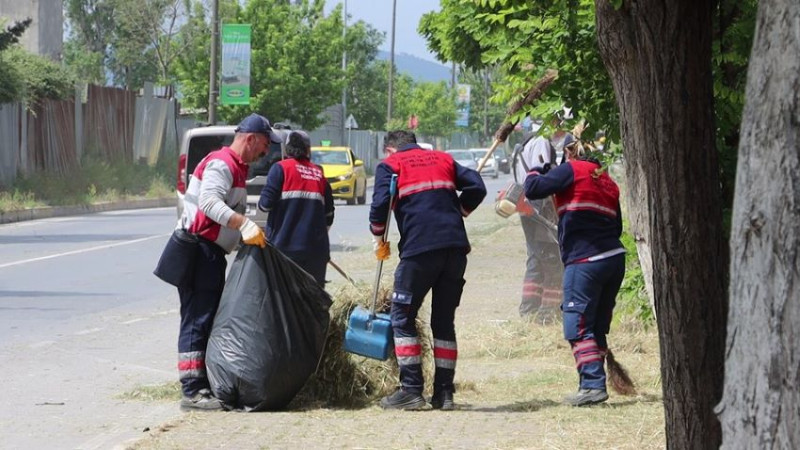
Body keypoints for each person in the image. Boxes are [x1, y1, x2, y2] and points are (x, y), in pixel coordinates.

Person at [369, 130, 487, 410]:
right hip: (456, 249)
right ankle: (444, 393)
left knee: (402, 317)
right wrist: (461, 209)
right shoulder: (443, 159)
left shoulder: (390, 165)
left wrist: (379, 238)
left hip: (420, 251)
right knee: (444, 322)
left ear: (390, 149)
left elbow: (379, 207)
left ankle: (411, 389)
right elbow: (478, 187)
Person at [175, 113, 276, 410]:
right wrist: (244, 225)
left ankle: (201, 382)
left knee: (206, 315)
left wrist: (247, 233)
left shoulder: (238, 167)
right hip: (197, 249)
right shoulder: (222, 163)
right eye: (265, 145)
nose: (265, 152)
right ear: (251, 138)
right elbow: (209, 203)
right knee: (198, 318)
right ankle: (193, 390)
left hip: (209, 251)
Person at [523, 137, 626, 407]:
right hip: (614, 258)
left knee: (577, 326)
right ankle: (590, 383)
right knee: (596, 327)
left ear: (572, 156)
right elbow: (617, 228)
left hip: (586, 261)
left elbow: (532, 188)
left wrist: (538, 167)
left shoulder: (572, 170)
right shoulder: (608, 181)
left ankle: (592, 385)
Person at [257, 130, 334, 286]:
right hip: (316, 254)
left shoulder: (280, 169)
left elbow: (265, 205)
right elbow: (329, 216)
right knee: (313, 304)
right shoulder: (319, 174)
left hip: (284, 252)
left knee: (284, 305)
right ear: (308, 150)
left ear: (287, 150)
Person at [512, 124, 564, 319]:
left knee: (535, 256)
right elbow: (543, 176)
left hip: (526, 202)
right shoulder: (541, 142)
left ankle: (529, 308)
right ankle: (547, 312)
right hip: (538, 204)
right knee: (549, 255)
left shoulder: (523, 145)